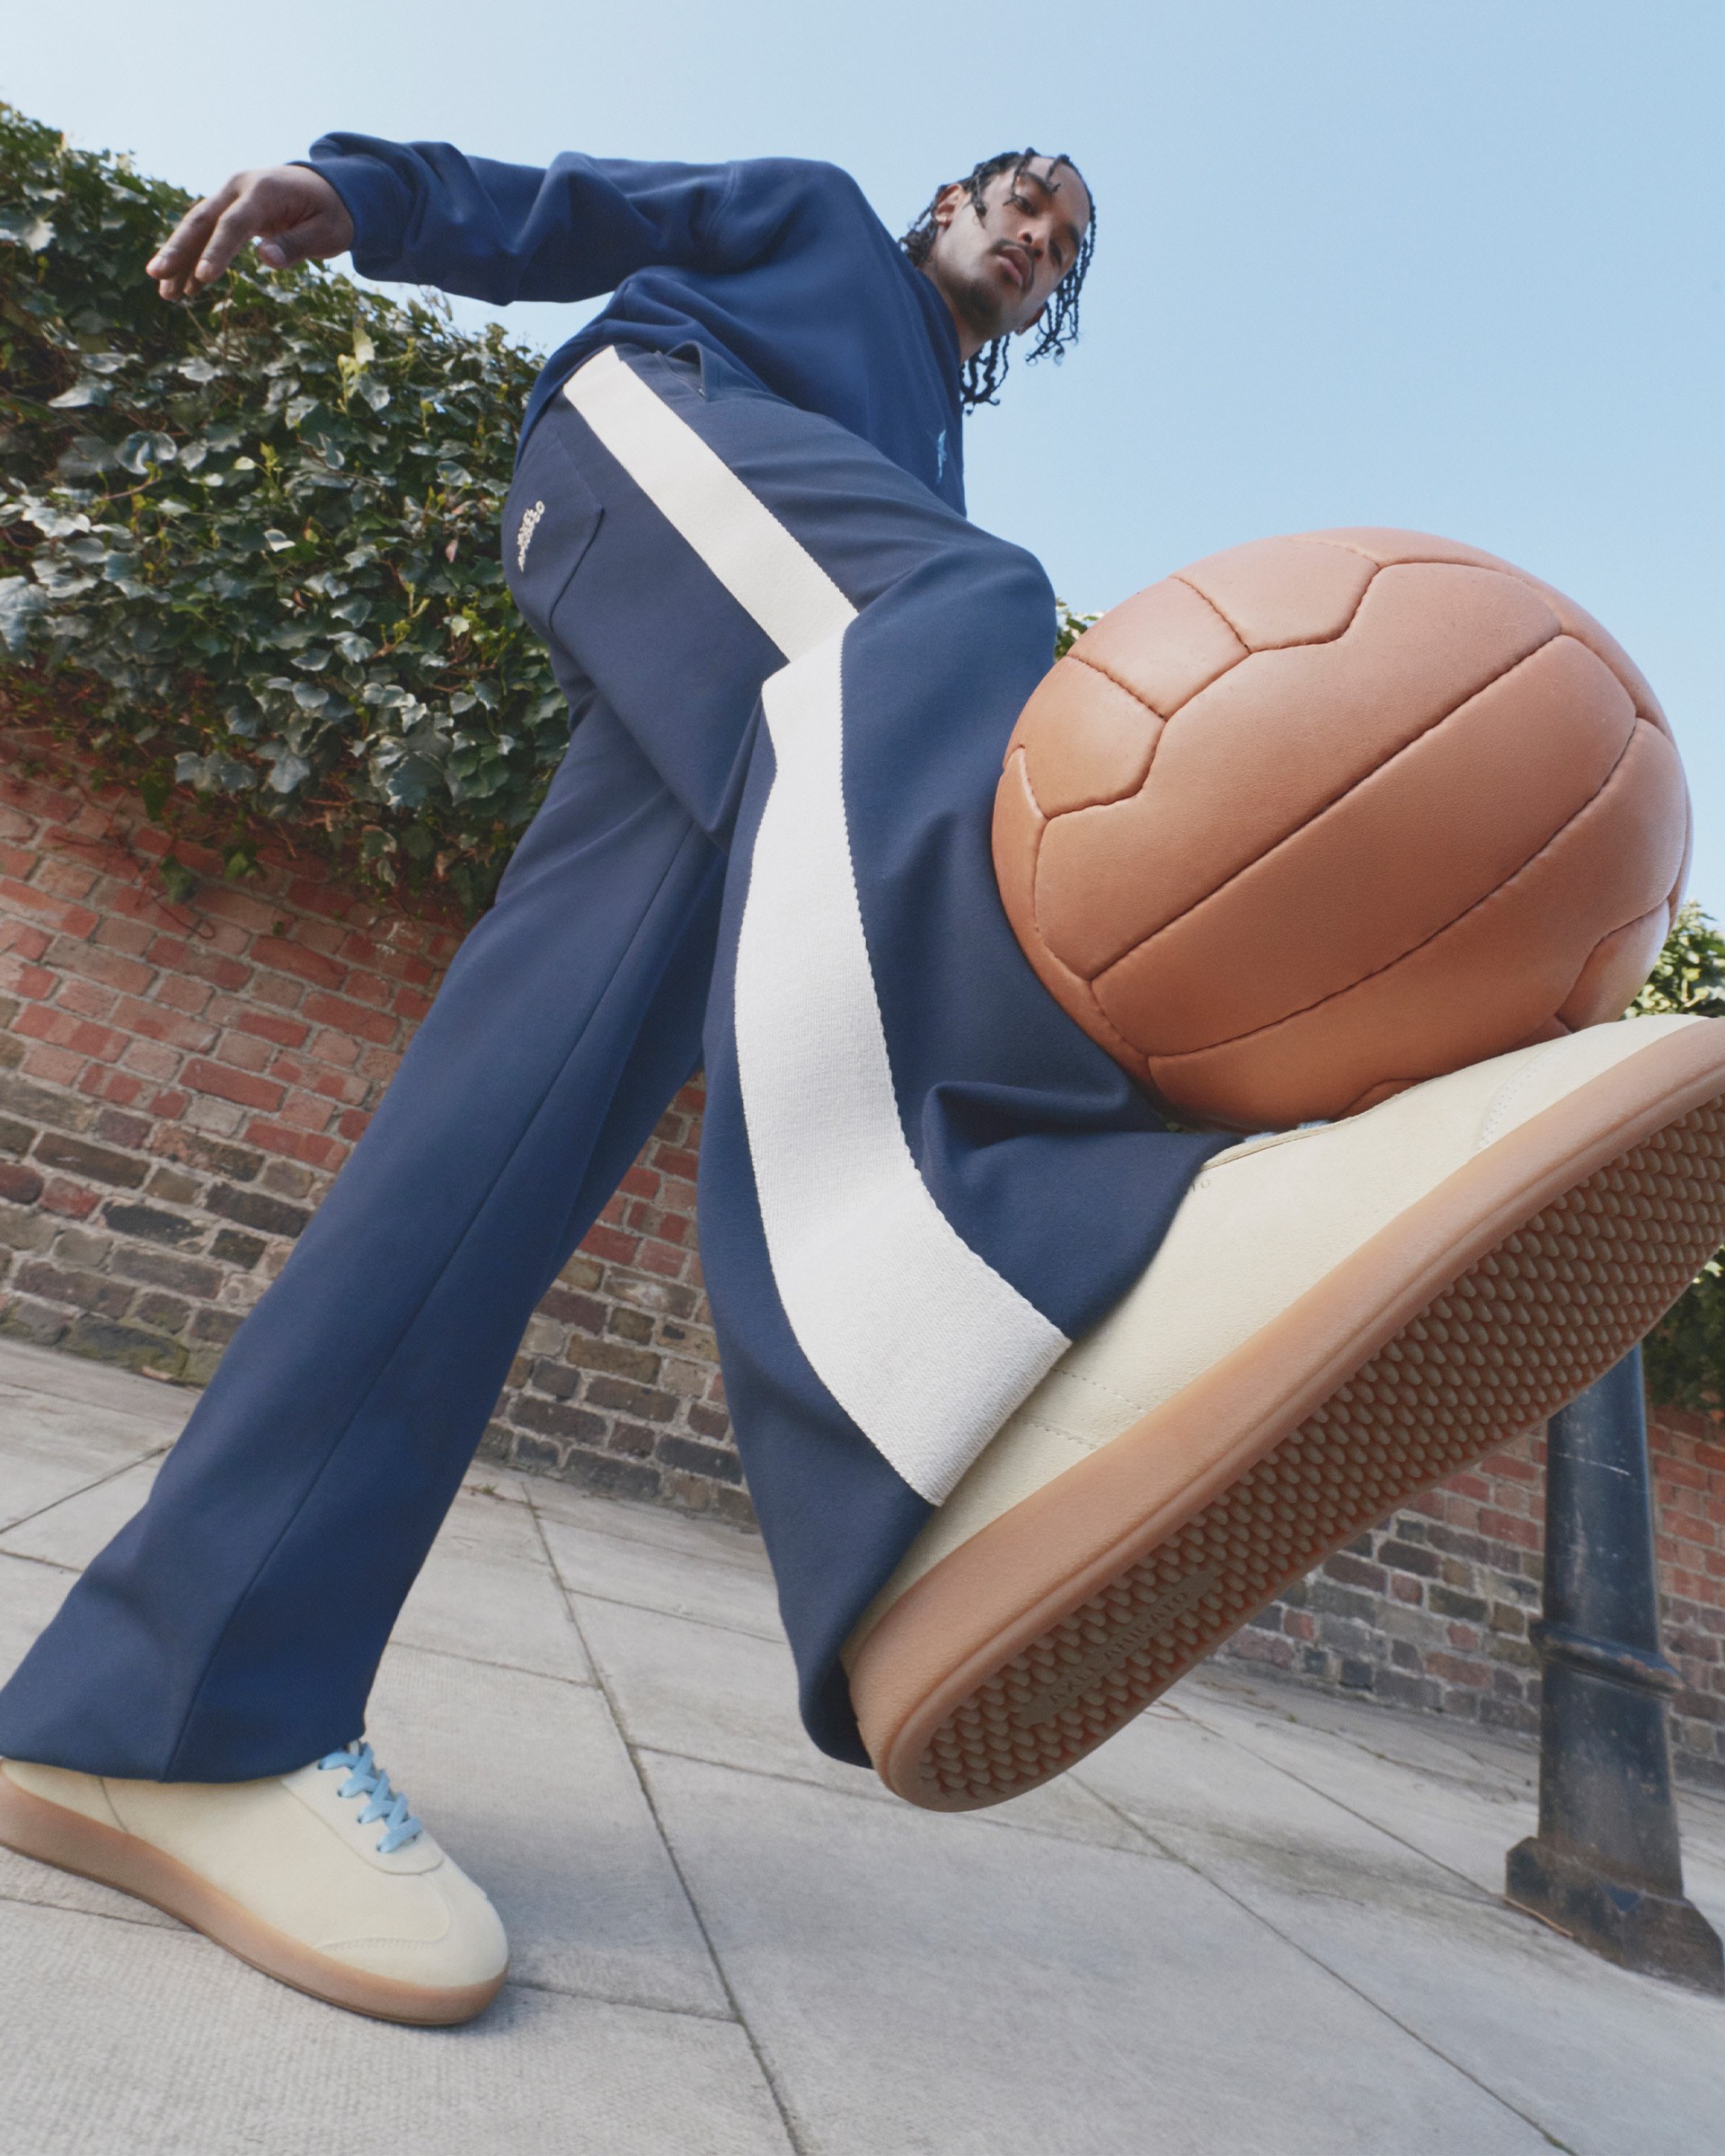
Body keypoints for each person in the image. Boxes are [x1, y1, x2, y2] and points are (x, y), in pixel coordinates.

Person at [3, 133, 1721, 2028]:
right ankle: (973, 1335)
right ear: (945, 207)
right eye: (1023, 209)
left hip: (733, 709)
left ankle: (169, 1713)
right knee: (957, 615)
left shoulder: (925, 452)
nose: (1038, 248)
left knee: (491, 1162)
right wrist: (368, 193)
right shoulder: (815, 226)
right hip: (654, 451)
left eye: (1063, 250)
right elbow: (596, 209)